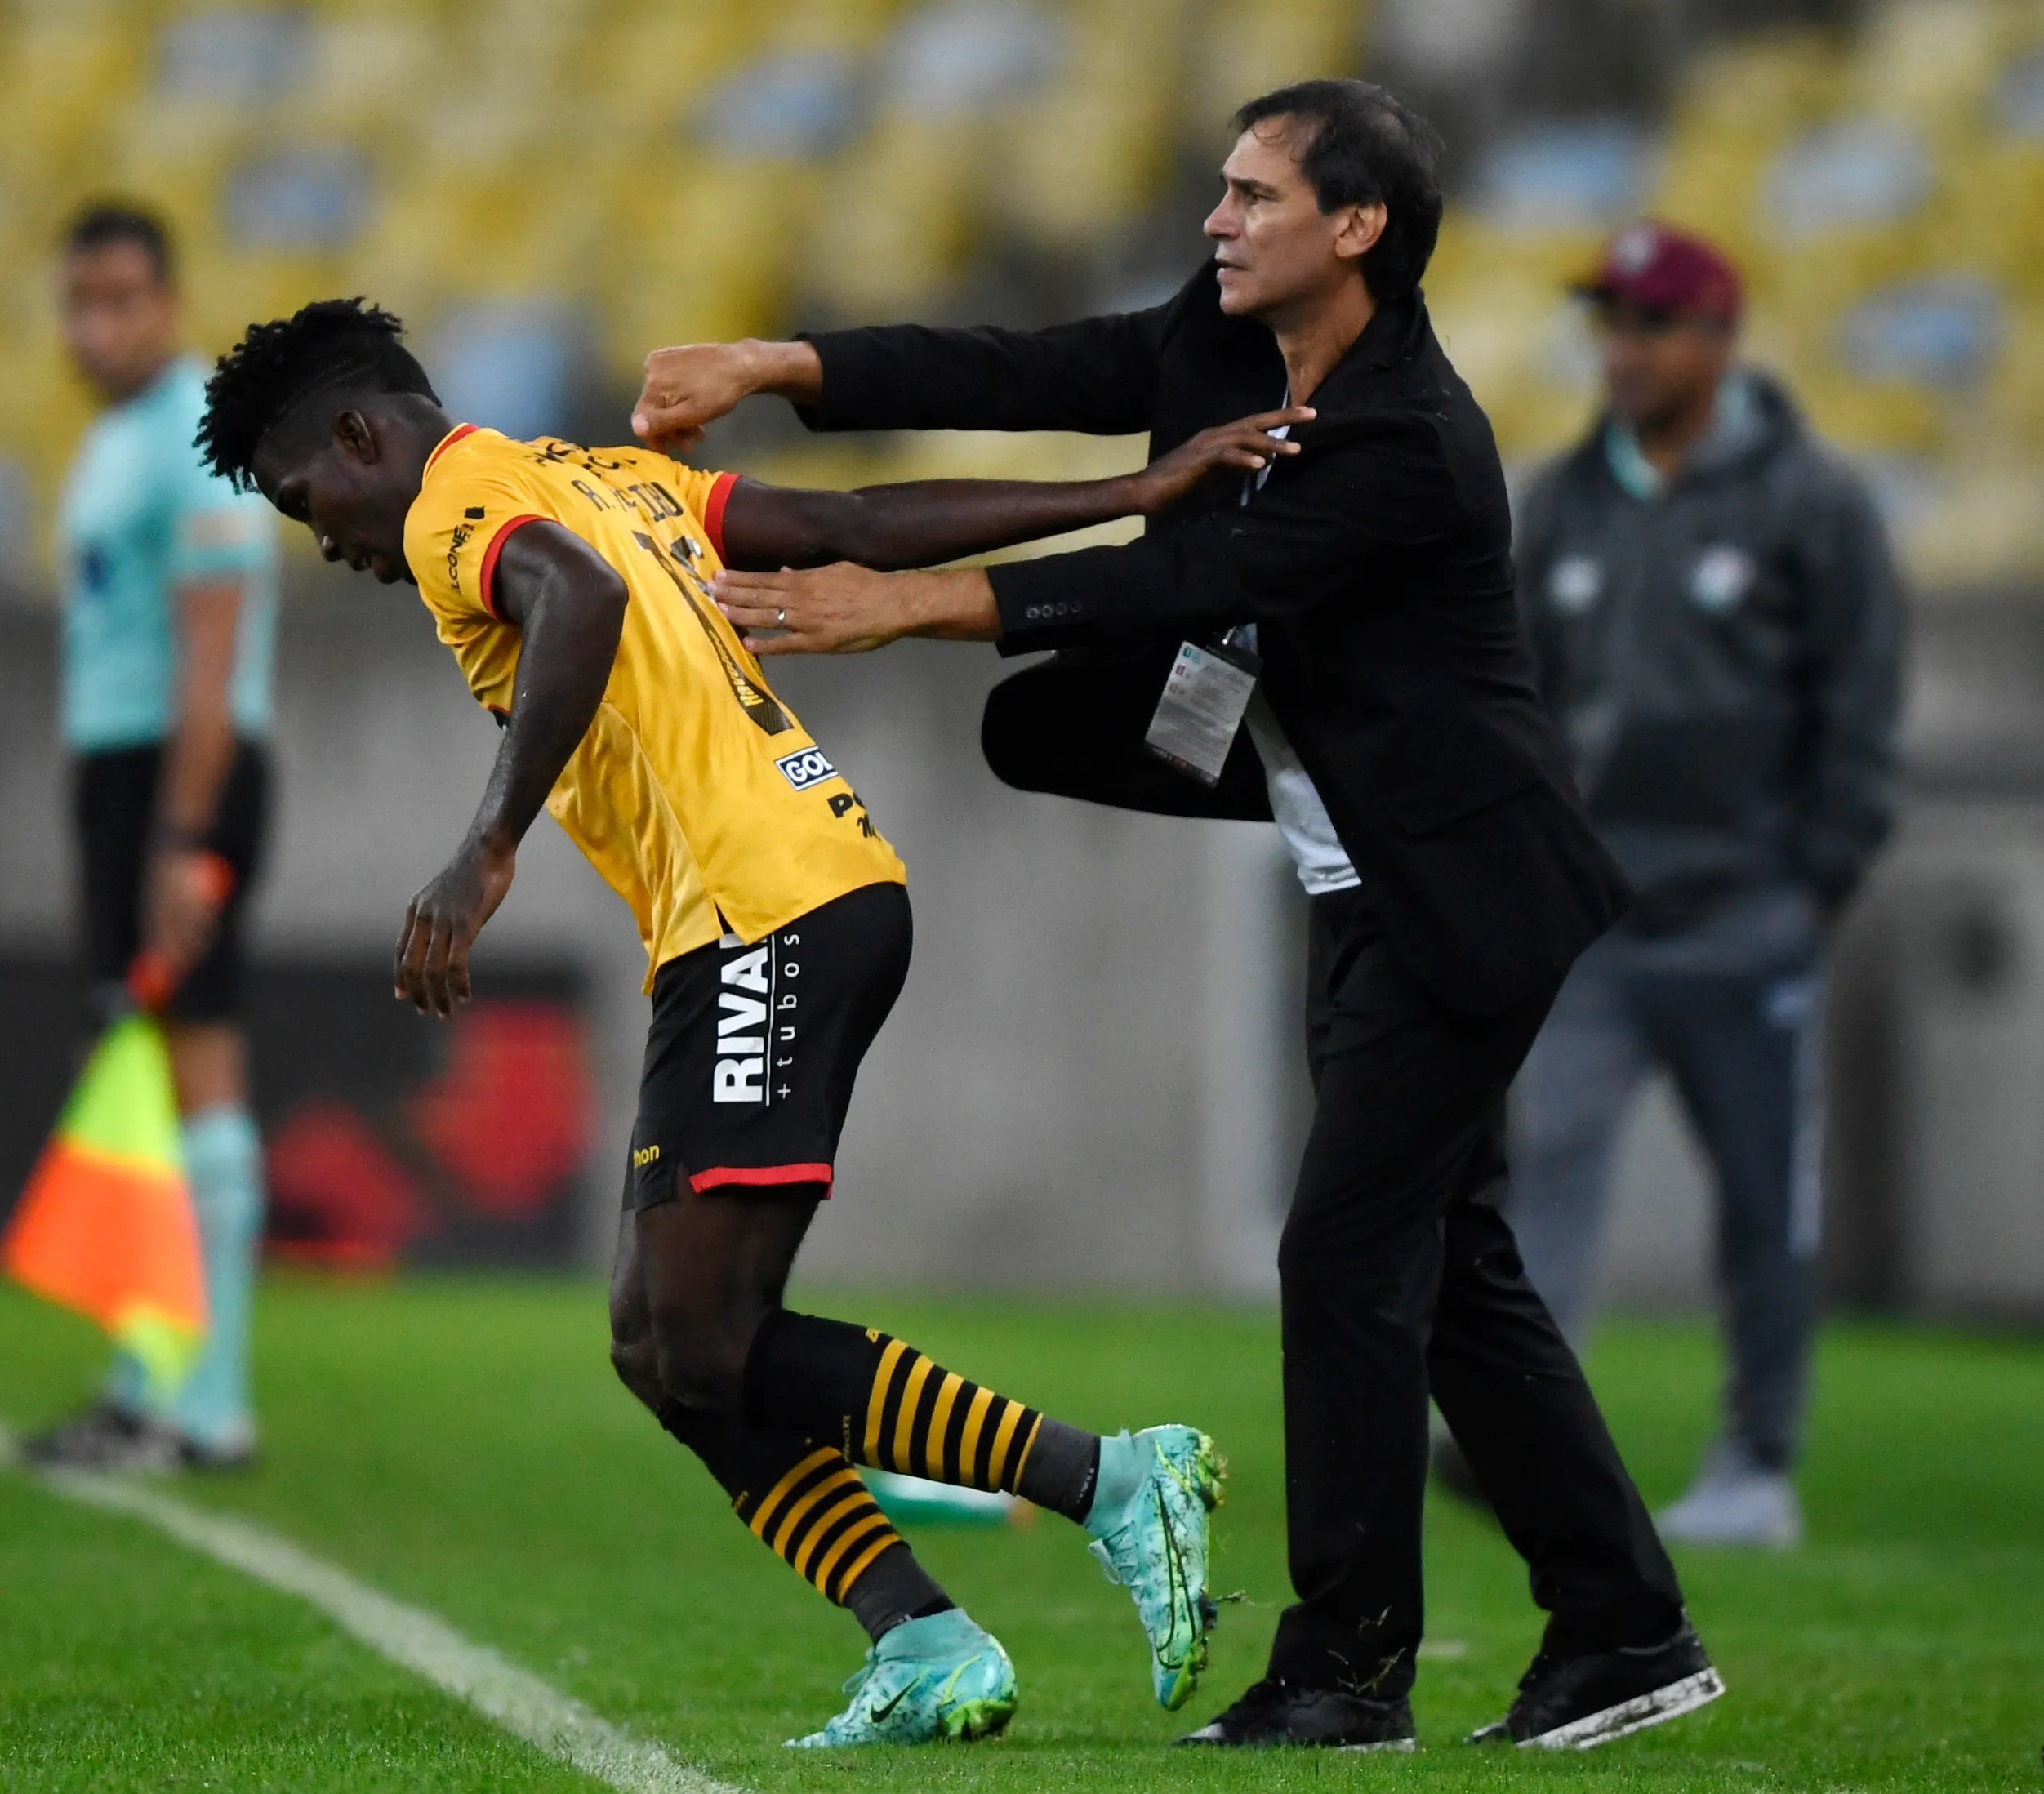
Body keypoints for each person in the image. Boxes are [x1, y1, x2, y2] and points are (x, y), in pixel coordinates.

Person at [631, 80, 1718, 1752]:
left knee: (1348, 1259)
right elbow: (1018, 369)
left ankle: (1348, 1671)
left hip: (1462, 899)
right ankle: (1626, 1628)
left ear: (1356, 231)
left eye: (1255, 196)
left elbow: (1194, 579)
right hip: (1367, 886)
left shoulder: (1407, 437)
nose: (1218, 221)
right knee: (1452, 1275)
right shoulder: (1217, 351)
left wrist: (901, 598)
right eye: (1219, 190)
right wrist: (783, 368)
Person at [196, 297, 1307, 1747]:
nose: (326, 538)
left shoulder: (457, 506)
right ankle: (921, 1637)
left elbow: (575, 602)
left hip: (762, 915)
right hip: (776, 906)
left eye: (305, 499)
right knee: (660, 1342)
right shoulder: (606, 475)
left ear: (360, 435)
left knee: (702, 1336)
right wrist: (1130, 490)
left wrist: (486, 847)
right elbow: (853, 521)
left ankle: (1110, 1480)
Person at [1488, 221, 1902, 1548]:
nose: (1620, 350)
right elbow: (1517, 697)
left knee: (1760, 1204)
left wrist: (1813, 882)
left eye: (1648, 324)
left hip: (1743, 920)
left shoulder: (1810, 501)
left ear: (1717, 338)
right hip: (1597, 926)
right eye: (1608, 324)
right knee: (1538, 1174)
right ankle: (1523, 1445)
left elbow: (1857, 703)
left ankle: (1754, 1464)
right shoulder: (1561, 497)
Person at [20, 202, 278, 1475]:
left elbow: (214, 639)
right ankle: (149, 1389)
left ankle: (202, 1405)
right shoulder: (117, 437)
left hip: (183, 776)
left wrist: (184, 833)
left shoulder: (188, 434)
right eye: (81, 301)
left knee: (195, 1064)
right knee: (143, 1067)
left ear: (168, 305)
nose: (97, 324)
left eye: (122, 299)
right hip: (126, 776)